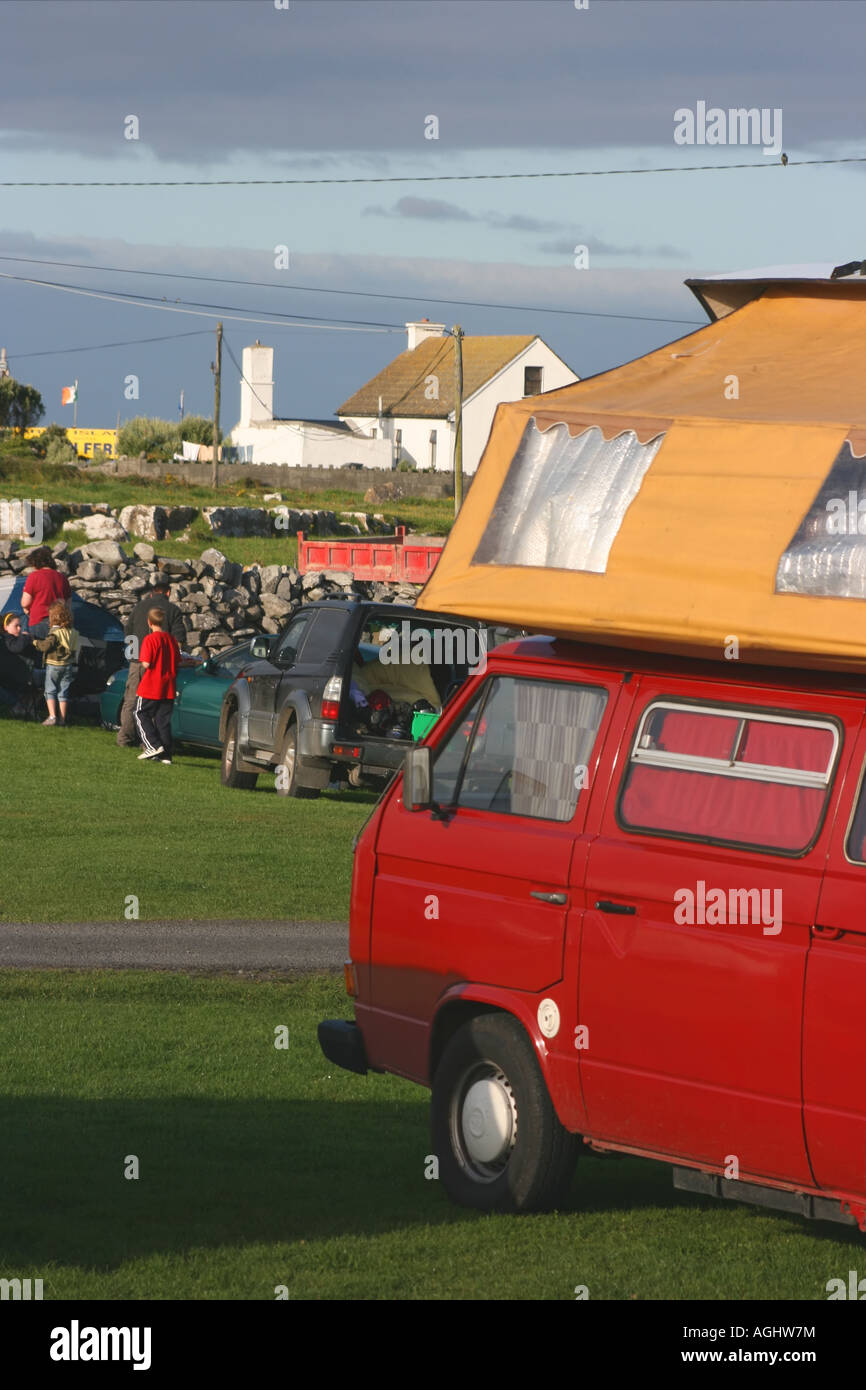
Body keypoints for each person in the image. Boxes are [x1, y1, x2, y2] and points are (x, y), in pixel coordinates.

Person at [117, 573, 185, 748]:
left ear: (152, 592)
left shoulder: (139, 607)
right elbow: (178, 640)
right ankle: (148, 742)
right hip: (159, 665)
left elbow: (128, 631)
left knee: (132, 700)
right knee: (155, 705)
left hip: (137, 660)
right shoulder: (173, 611)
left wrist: (132, 654)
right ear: (168, 593)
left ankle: (125, 737)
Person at [134, 606, 180, 764]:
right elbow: (177, 660)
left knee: (140, 713)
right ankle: (166, 755)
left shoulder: (150, 639)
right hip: (169, 686)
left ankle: (152, 745)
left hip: (151, 684)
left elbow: (146, 663)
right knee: (163, 720)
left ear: (149, 622)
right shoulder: (171, 639)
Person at [32, 599, 79, 726]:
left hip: (54, 665)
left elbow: (45, 646)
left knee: (50, 690)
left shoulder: (55, 633)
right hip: (68, 665)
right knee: (63, 692)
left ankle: (52, 716)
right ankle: (62, 719)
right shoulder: (73, 632)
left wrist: (35, 642)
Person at [21, 547, 71, 640]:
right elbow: (68, 603)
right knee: (57, 652)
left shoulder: (34, 576)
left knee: (41, 651)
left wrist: (26, 609)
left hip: (39, 620)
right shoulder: (62, 578)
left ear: (36, 563)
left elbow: (25, 603)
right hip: (60, 622)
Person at [0, 611, 36, 714]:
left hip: (17, 678)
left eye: (20, 626)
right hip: (9, 680)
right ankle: (19, 706)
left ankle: (23, 707)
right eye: (16, 626)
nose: (19, 629)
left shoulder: (16, 639)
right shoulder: (7, 639)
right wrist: (26, 637)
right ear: (6, 627)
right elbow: (17, 648)